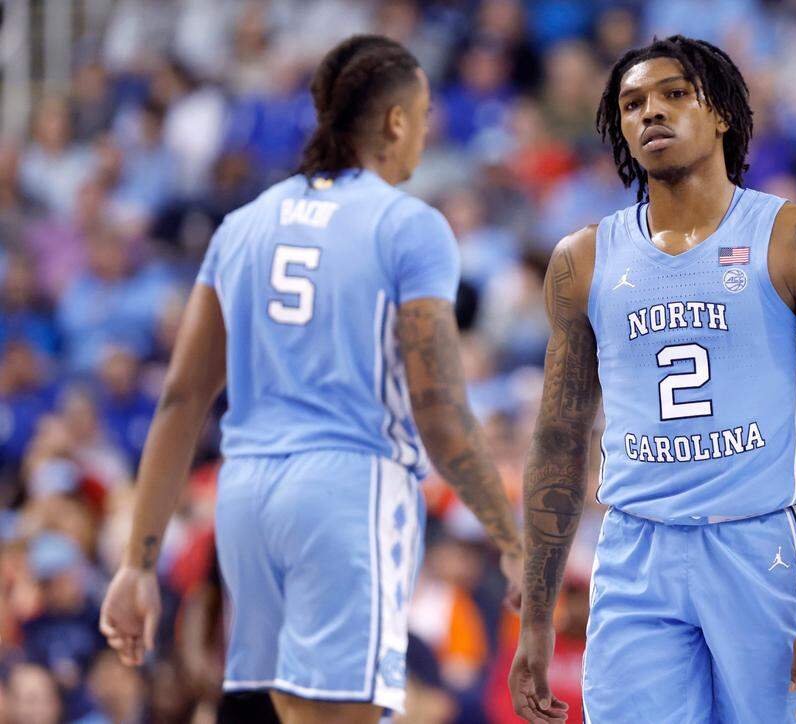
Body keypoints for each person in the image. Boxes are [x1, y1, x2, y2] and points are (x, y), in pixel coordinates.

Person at [99, 35, 523, 724]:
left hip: (246, 499)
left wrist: (138, 563)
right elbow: (439, 409)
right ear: (394, 122)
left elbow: (180, 397)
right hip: (345, 490)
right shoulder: (410, 226)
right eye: (422, 115)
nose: (426, 132)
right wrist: (512, 538)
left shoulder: (242, 224)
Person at [509, 35, 796, 723]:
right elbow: (557, 439)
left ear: (722, 115)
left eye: (675, 94)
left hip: (760, 545)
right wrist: (536, 615)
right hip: (634, 551)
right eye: (633, 103)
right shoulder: (582, 259)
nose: (652, 111)